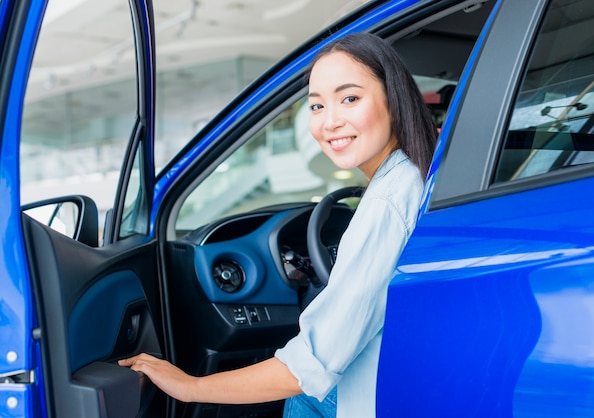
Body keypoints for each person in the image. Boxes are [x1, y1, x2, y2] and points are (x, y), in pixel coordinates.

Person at [118, 32, 438, 418]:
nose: (330, 121)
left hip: (376, 397)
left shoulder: (389, 201)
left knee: (303, 397)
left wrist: (189, 387)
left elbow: (312, 365)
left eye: (349, 98)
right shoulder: (412, 180)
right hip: (407, 379)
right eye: (317, 106)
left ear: (393, 99)